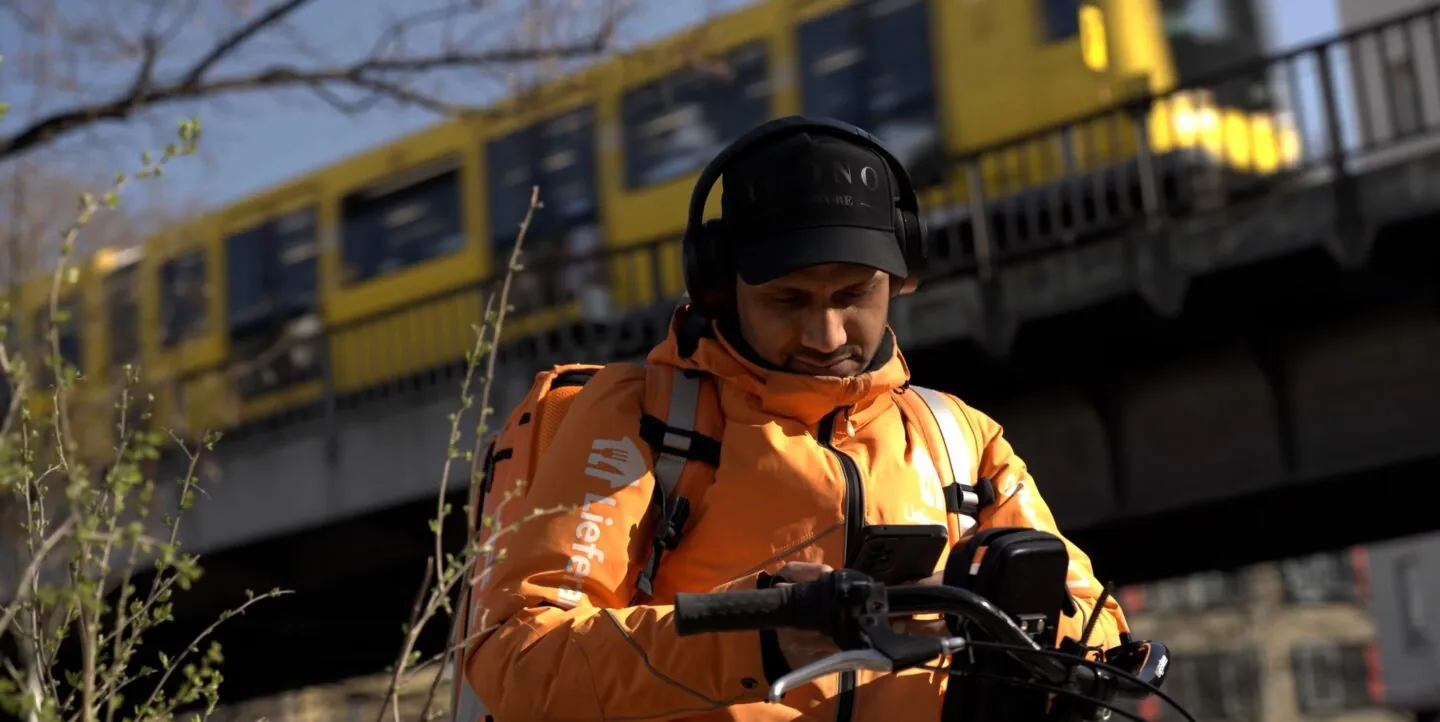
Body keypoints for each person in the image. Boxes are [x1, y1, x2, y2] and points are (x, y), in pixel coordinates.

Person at [462, 116, 1130, 721]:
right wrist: (766, 636)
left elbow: (1097, 628)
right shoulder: (638, 418)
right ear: (722, 286)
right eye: (788, 299)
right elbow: (522, 662)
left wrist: (988, 619)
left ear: (902, 276)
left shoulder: (958, 438)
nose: (825, 332)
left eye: (853, 294)